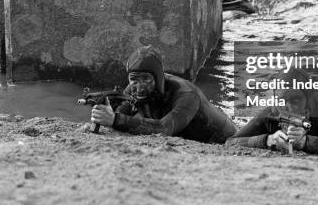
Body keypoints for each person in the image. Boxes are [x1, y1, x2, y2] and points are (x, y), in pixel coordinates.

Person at [90, 45, 237, 144]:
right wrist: (102, 114)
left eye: (146, 80)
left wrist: (115, 119)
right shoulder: (131, 90)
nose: (139, 87)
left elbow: (164, 129)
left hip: (227, 138)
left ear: (158, 79)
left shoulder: (187, 94)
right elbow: (117, 115)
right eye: (134, 79)